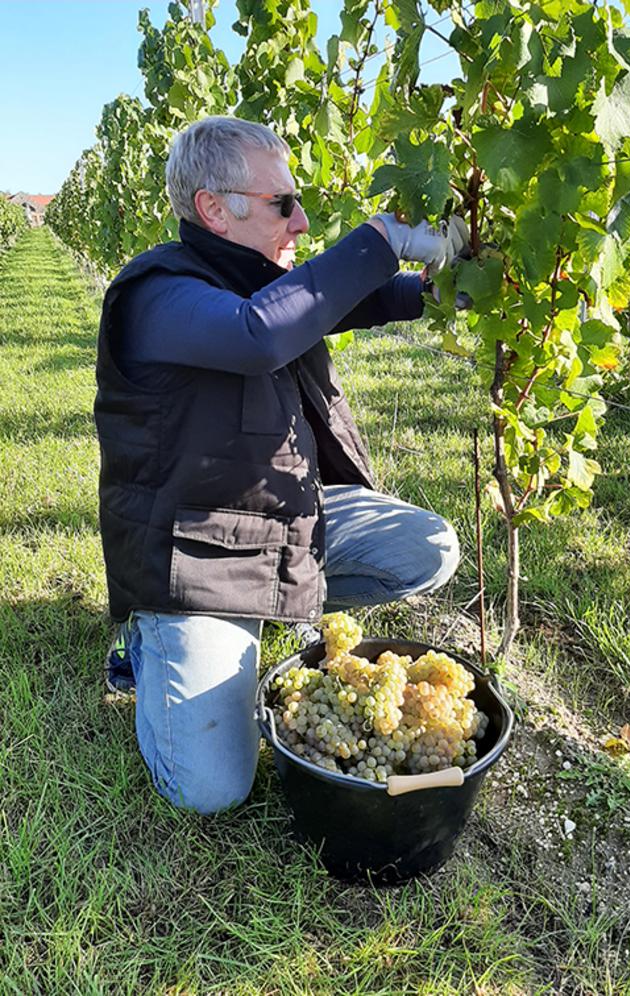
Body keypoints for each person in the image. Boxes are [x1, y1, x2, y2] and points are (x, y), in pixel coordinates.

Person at [95, 115, 467, 814]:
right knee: (211, 790)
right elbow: (258, 332)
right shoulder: (158, 294)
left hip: (283, 524)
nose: (299, 221)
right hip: (195, 561)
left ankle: (259, 618)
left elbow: (355, 301)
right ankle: (150, 641)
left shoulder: (259, 278)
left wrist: (446, 288)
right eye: (282, 204)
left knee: (424, 547)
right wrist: (381, 239)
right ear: (213, 208)